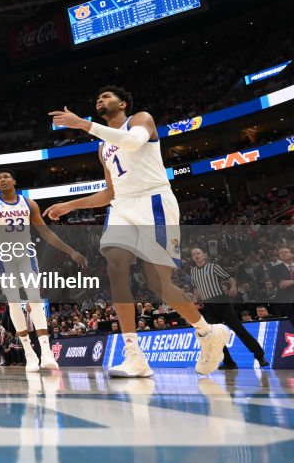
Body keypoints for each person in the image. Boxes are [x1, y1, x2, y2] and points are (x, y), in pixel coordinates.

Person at [46, 85, 228, 378]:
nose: (99, 100)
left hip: (153, 201)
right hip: (121, 206)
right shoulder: (102, 146)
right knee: (116, 266)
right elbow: (109, 192)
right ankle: (134, 355)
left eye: (106, 97)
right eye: (97, 97)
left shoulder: (141, 119)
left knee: (160, 285)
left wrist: (83, 124)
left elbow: (132, 143)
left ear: (122, 104)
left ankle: (207, 332)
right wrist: (71, 204)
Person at [0, 170, 88, 372]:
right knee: (13, 300)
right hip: (4, 256)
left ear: (14, 181)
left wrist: (71, 251)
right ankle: (29, 353)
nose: (2, 179)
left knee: (34, 296)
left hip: (25, 254)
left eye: (6, 176)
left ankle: (46, 352)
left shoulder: (29, 203)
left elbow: (46, 232)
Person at [189, 247, 268, 369]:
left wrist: (233, 287)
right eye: (194, 254)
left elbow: (230, 279)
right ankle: (229, 362)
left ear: (203, 255)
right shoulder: (193, 272)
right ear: (192, 257)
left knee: (238, 329)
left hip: (222, 302)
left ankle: (260, 356)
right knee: (215, 336)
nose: (196, 255)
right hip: (208, 306)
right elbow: (196, 289)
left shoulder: (213, 266)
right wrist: (194, 302)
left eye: (198, 253)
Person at [268, 246, 294, 330]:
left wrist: (291, 282)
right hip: (288, 301)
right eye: (281, 253)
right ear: (279, 256)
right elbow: (282, 284)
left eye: (286, 252)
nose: (284, 253)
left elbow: (288, 282)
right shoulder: (275, 269)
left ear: (291, 254)